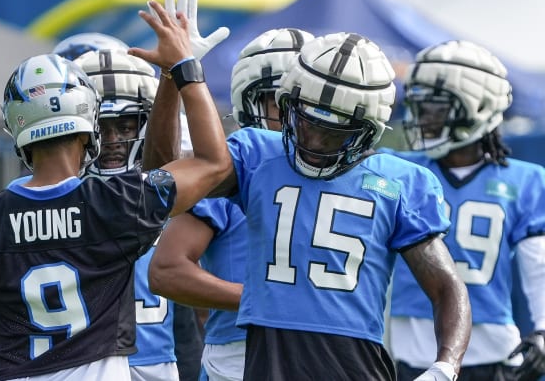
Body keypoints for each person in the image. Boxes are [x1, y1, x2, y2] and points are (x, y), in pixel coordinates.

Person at [0, 0, 231, 381]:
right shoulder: (118, 204)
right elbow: (213, 162)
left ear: (17, 129)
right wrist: (183, 69)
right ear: (88, 119)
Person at [147, 31, 473, 380]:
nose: (314, 142)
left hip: (355, 365)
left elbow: (447, 286)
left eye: (334, 132)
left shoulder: (401, 182)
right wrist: (179, 76)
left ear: (368, 131)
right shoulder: (258, 154)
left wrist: (446, 365)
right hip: (265, 358)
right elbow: (164, 180)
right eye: (306, 121)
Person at [149, 27, 314, 381]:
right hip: (242, 354)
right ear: (251, 103)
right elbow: (167, 269)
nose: (299, 117)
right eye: (281, 102)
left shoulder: (351, 173)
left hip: (326, 349)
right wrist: (259, 297)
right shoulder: (237, 174)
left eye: (309, 103)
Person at [383, 40, 545, 381]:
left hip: (495, 352)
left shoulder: (527, 181)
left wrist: (543, 329)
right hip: (408, 349)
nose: (421, 119)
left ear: (478, 107)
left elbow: (538, 268)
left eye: (435, 108)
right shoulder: (399, 169)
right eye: (418, 106)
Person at [75, 47, 190, 381]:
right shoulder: (55, 195)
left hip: (158, 360)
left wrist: (179, 74)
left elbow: (193, 320)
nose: (112, 141)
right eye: (102, 128)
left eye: (125, 127)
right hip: (79, 364)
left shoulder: (172, 192)